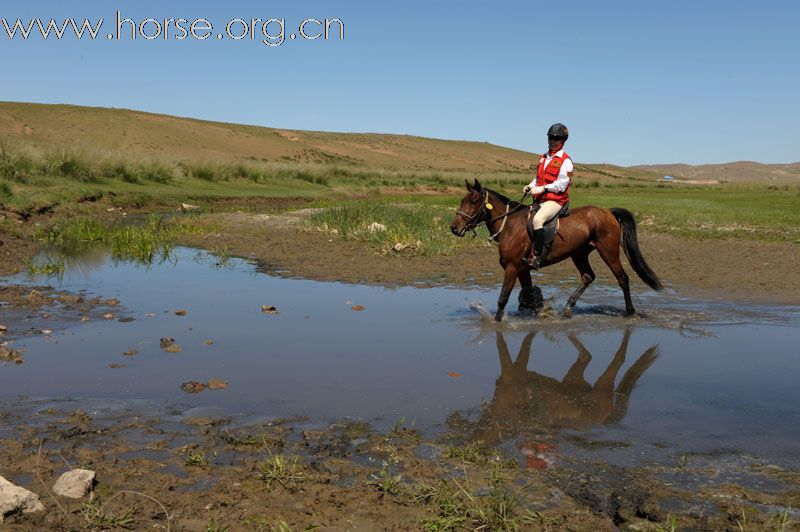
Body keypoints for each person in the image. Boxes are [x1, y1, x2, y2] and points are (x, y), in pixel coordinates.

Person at [522, 123, 574, 268]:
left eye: (556, 138)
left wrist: (542, 189)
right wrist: (531, 186)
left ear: (563, 141)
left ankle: (538, 257)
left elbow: (561, 185)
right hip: (540, 199)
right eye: (550, 138)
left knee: (538, 220)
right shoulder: (543, 158)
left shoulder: (566, 161)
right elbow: (538, 178)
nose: (552, 141)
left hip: (556, 200)